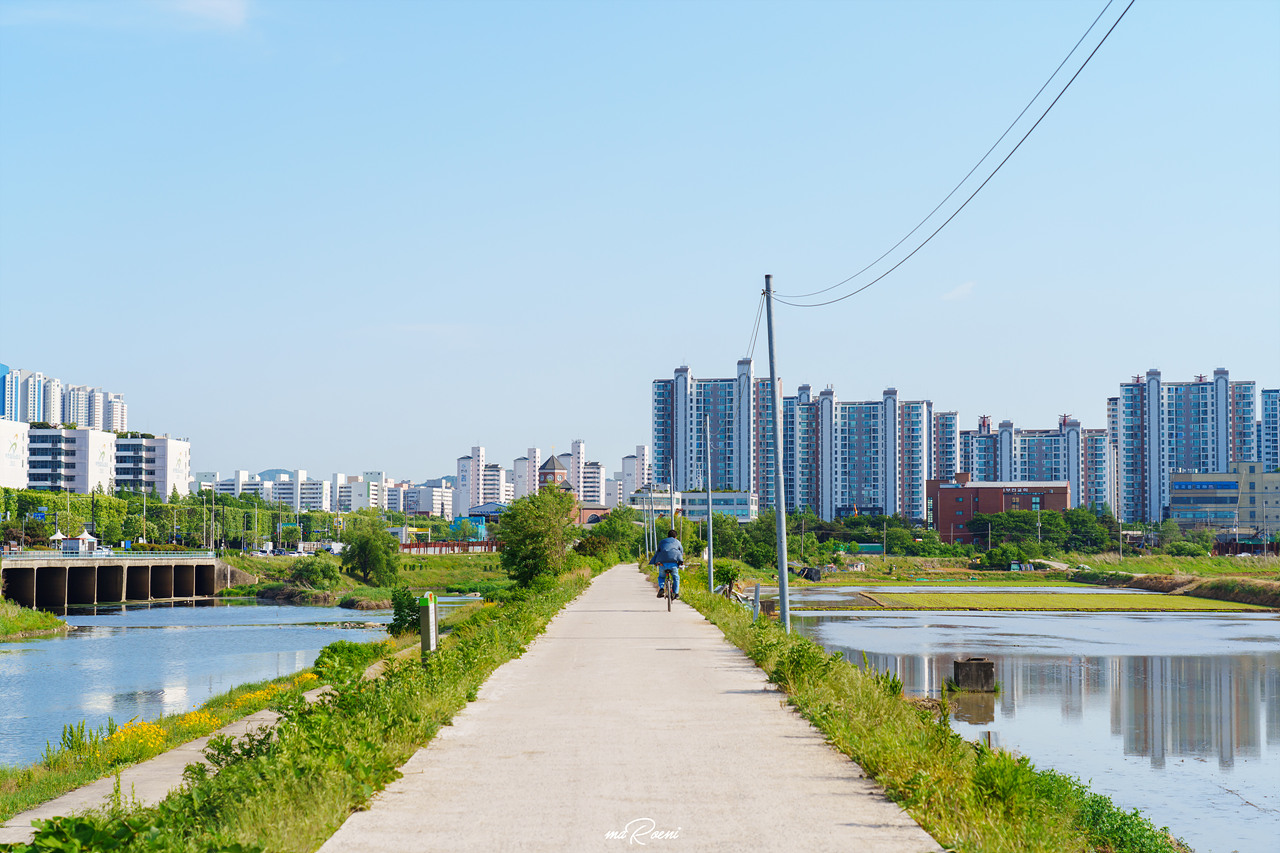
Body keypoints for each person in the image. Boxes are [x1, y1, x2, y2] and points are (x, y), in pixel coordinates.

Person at [649, 529, 684, 599]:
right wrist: (681, 562)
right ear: (676, 537)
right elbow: (681, 552)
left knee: (661, 577)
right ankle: (676, 593)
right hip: (673, 564)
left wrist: (656, 562)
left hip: (663, 564)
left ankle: (661, 589)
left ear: (667, 536)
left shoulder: (662, 542)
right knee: (676, 578)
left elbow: (658, 552)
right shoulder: (678, 542)